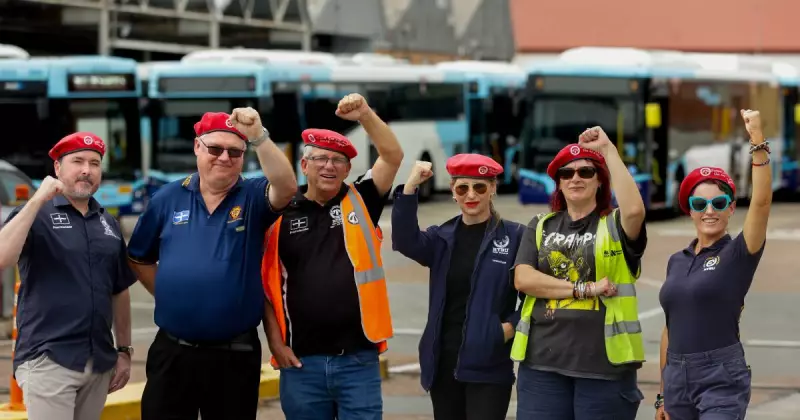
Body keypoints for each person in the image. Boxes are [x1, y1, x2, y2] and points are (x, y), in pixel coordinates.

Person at [126, 108, 298, 420]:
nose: (224, 158)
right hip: (173, 353)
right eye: (215, 149)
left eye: (234, 152)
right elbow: (139, 257)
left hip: (234, 355)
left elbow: (287, 188)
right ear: (197, 147)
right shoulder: (167, 198)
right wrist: (171, 294)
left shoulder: (253, 195)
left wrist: (258, 136)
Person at [261, 93, 404, 419]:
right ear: (304, 165)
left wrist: (365, 114)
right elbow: (267, 288)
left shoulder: (363, 198)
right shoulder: (279, 210)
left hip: (358, 361)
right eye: (321, 158)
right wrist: (275, 344)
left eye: (338, 160)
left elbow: (392, 155)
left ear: (348, 168)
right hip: (300, 363)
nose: (329, 166)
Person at [511, 127, 648, 420]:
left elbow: (635, 211)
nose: (575, 178)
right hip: (541, 367)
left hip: (603, 370)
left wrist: (608, 150)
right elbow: (524, 279)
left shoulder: (614, 225)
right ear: (558, 184)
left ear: (600, 182)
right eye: (566, 173)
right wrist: (586, 289)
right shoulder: (540, 225)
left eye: (586, 172)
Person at [0, 132, 136, 420]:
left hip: (99, 361)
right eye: (77, 161)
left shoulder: (107, 222)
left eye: (95, 163)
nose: (87, 170)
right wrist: (36, 200)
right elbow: (2, 257)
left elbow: (119, 289)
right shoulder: (36, 213)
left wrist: (124, 350)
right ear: (58, 168)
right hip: (49, 359)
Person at [391, 155, 525, 420]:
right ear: (453, 191)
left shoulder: (515, 236)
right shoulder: (442, 237)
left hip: (489, 363)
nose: (471, 195)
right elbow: (405, 240)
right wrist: (410, 186)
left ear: (493, 189)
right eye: (462, 188)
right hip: (443, 362)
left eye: (480, 187)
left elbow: (535, 297)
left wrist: (509, 327)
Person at [655, 109, 769, 420]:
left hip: (720, 376)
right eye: (699, 204)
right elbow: (670, 328)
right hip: (676, 378)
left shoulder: (739, 253)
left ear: (731, 208)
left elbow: (760, 203)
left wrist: (757, 140)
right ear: (689, 210)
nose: (709, 211)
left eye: (719, 203)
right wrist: (662, 394)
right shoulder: (676, 261)